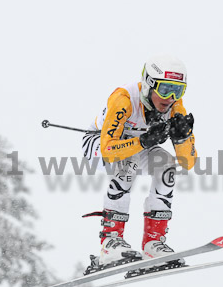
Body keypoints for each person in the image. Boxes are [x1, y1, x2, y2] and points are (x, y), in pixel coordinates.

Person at [82, 55, 197, 268]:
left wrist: (182, 137)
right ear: (149, 84)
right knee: (129, 160)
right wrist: (144, 141)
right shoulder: (124, 99)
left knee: (167, 165)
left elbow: (188, 162)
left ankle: (153, 243)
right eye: (164, 89)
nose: (170, 97)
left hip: (135, 147)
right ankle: (110, 242)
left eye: (178, 90)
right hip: (99, 144)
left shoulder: (174, 105)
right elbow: (108, 150)